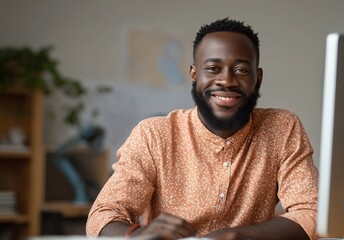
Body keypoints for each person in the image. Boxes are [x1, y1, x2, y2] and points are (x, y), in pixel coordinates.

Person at [86, 17, 318, 240]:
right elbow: (103, 216)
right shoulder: (153, 135)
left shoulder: (283, 127)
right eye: (213, 69)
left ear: (257, 78)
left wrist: (238, 235)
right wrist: (137, 235)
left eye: (241, 70)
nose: (226, 80)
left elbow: (310, 212)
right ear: (194, 75)